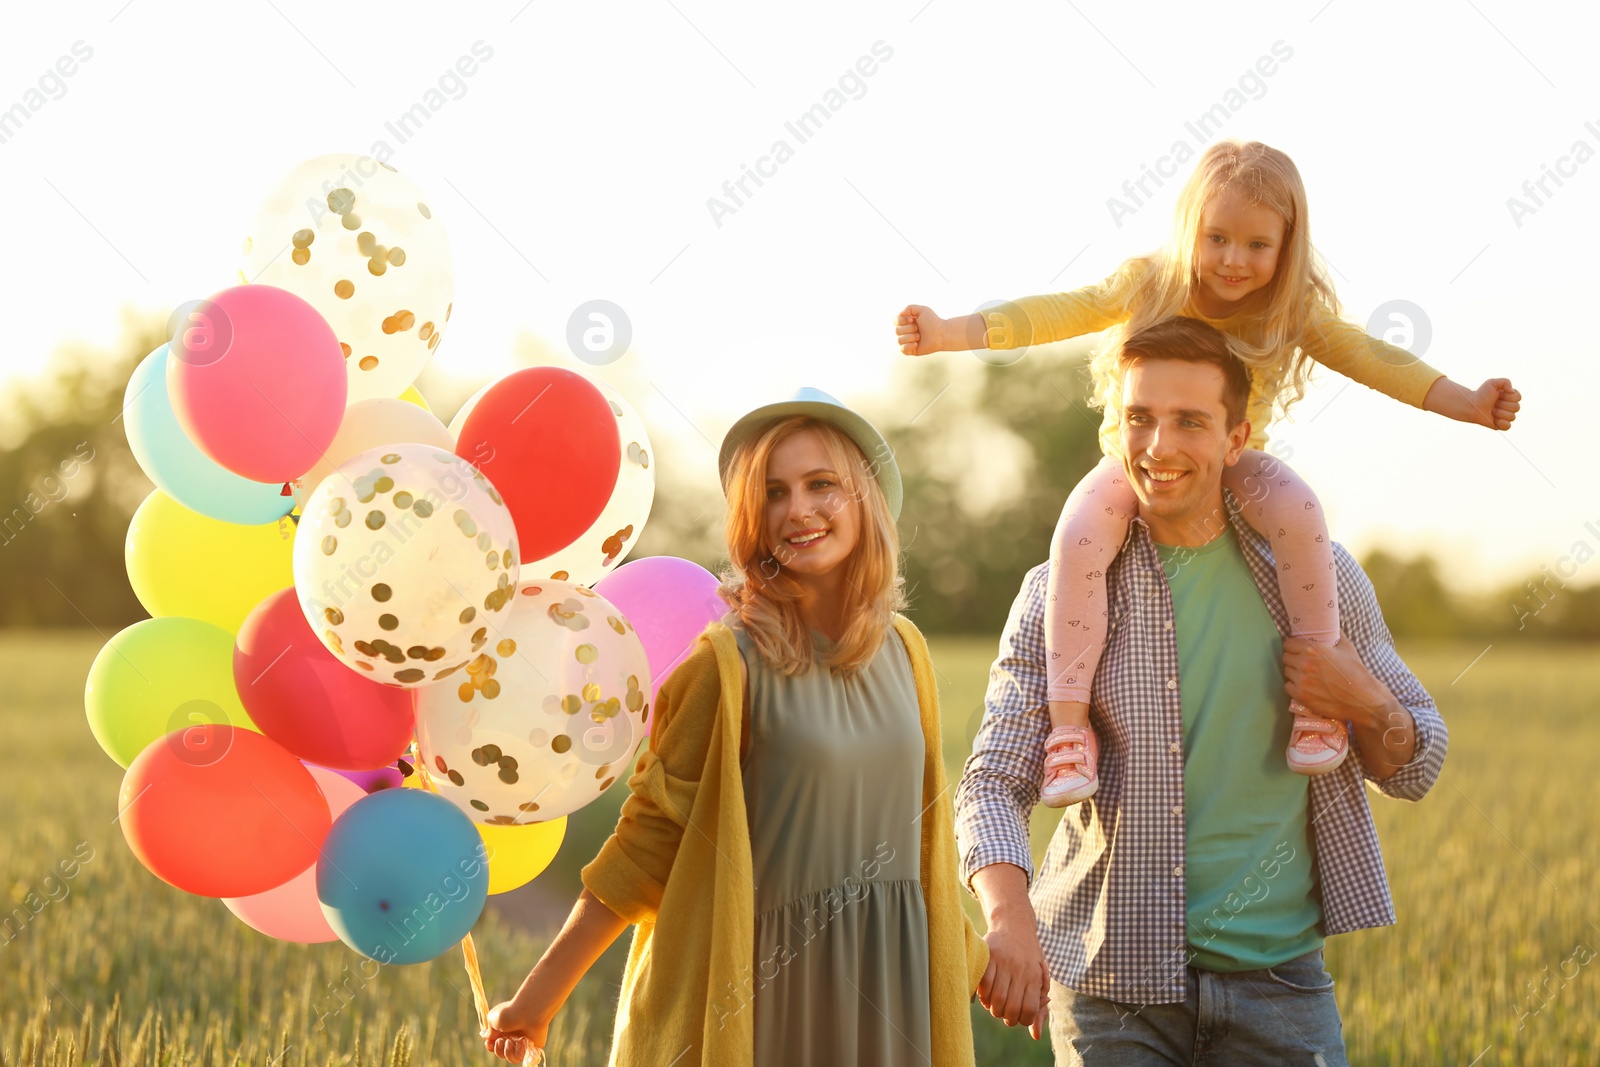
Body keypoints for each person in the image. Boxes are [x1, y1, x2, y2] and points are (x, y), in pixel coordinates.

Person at [895, 139, 1510, 808]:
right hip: (1133, 469)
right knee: (1077, 536)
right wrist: (951, 330)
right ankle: (1069, 732)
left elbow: (1373, 357)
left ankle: (1316, 704)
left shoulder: (1291, 309)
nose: (1233, 260)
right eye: (1217, 237)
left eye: (1256, 245)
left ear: (1287, 246)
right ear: (1191, 227)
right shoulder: (1149, 283)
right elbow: (1057, 310)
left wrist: (1468, 402)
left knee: (1299, 509)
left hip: (1238, 466)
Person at [953, 316, 1448, 1065]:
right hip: (1112, 996)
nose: (1159, 445)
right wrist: (1009, 917)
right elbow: (992, 780)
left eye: (1189, 421)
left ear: (1236, 437)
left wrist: (1364, 702)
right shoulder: (1060, 594)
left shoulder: (1319, 575)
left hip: (1280, 987)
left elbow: (1417, 761)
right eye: (1139, 418)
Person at [480, 387, 990, 1066]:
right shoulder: (726, 665)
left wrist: (983, 962)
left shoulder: (908, 650)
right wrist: (534, 1003)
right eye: (774, 492)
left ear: (863, 499)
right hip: (764, 997)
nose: (798, 509)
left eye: (821, 484)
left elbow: (919, 842)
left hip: (890, 990)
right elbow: (645, 845)